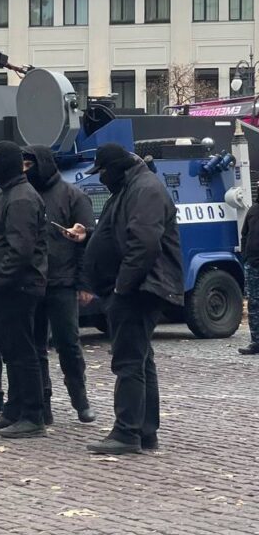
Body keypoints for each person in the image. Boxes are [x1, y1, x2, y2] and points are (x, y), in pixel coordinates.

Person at [72, 144, 184, 455]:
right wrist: (89, 236)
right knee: (140, 357)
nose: (102, 178)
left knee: (129, 361)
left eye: (103, 172)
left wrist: (122, 286)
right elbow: (119, 233)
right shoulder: (131, 187)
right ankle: (144, 430)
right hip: (136, 287)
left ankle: (127, 432)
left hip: (139, 289)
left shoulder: (143, 189)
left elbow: (144, 243)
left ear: (116, 168)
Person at [0, 141, 49, 439]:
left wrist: (0, 279)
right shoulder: (8, 195)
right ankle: (14, 409)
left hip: (18, 286)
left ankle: (32, 415)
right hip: (6, 285)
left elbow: (20, 249)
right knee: (11, 350)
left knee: (22, 352)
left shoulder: (20, 198)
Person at [22, 146, 97, 424]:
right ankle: (43, 402)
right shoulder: (27, 196)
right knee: (35, 346)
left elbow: (86, 241)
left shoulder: (73, 195)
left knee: (68, 343)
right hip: (34, 282)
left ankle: (80, 399)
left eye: (30, 165)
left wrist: (84, 283)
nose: (25, 170)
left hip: (63, 282)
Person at [238, 194, 259, 355]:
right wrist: (246, 256)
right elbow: (245, 234)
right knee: (254, 305)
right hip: (253, 265)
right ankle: (256, 341)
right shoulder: (253, 210)